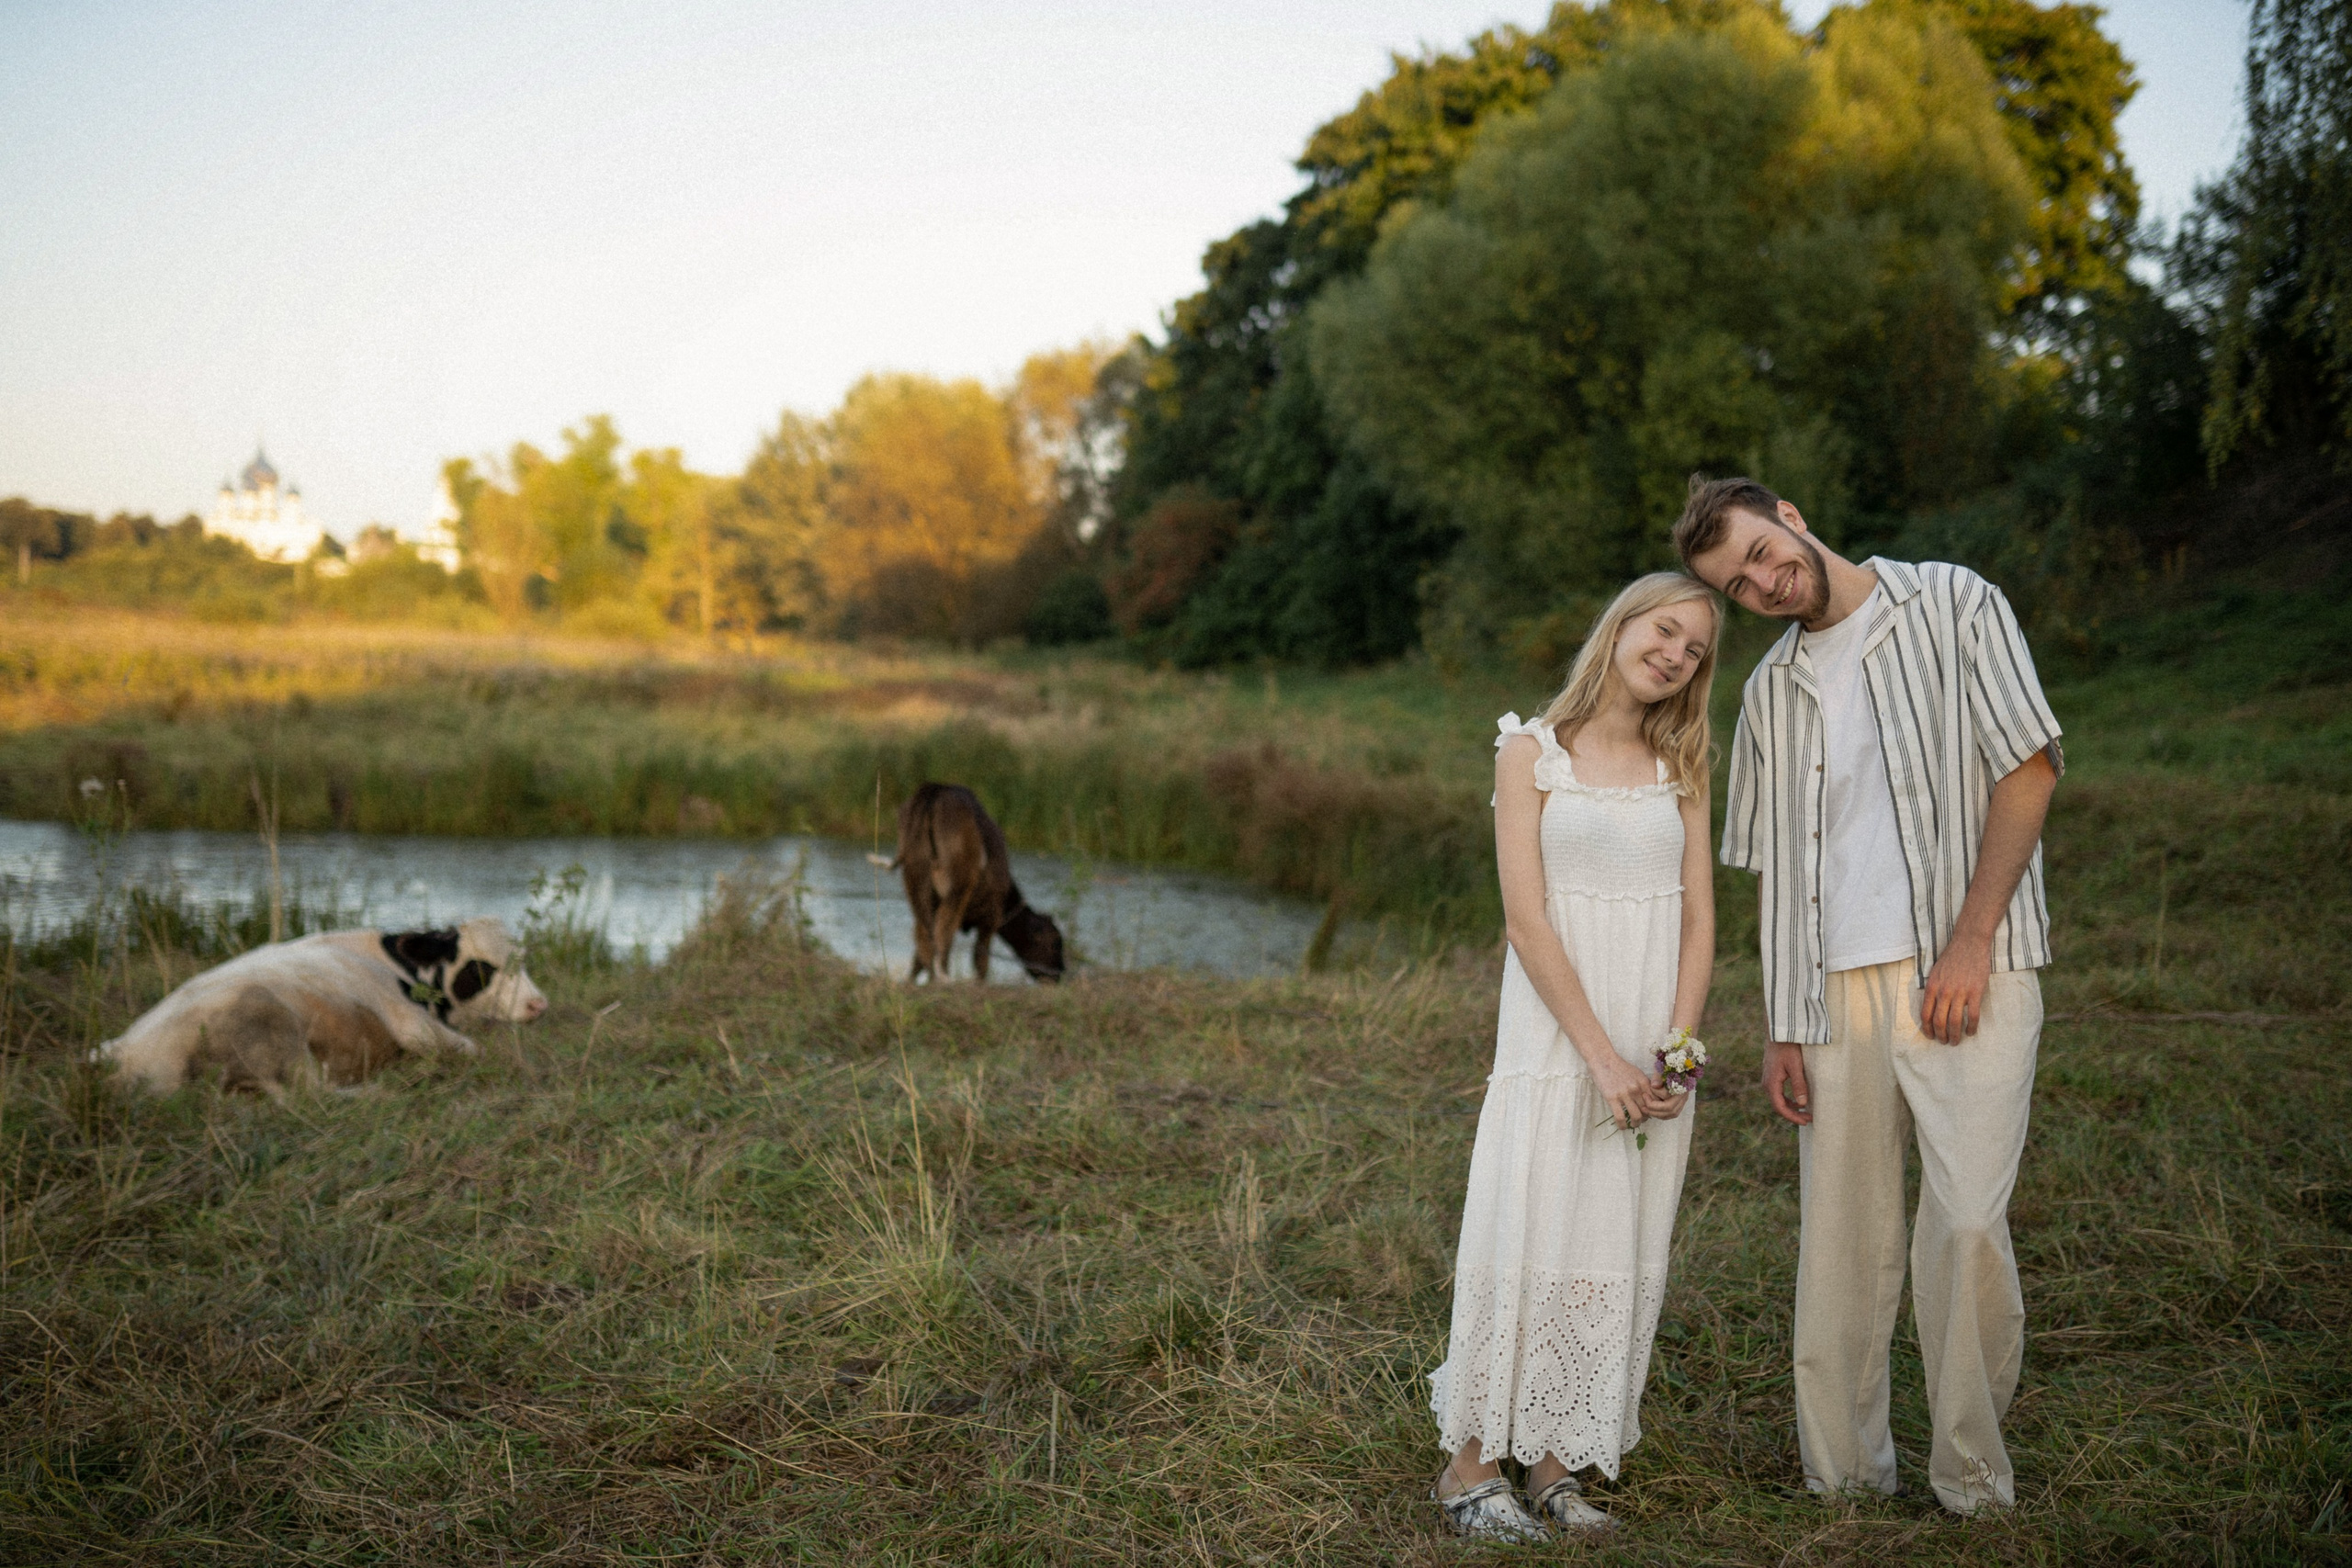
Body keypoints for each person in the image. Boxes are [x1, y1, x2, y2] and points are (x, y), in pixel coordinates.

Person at [1673, 475, 2063, 1517]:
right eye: (1734, 583)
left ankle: (1972, 1478)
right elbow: (1779, 876)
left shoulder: (1953, 601)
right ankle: (1842, 1476)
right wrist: (1781, 1024)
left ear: (1789, 517)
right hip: (1832, 990)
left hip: (1966, 967)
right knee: (1842, 1241)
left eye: (1760, 552)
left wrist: (1970, 942)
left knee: (1969, 1221)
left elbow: (2027, 769)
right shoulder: (1768, 694)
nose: (1761, 581)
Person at [1430, 572, 1721, 1541]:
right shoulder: (1531, 752)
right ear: (1624, 624)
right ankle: (1469, 1466)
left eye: (1695, 648)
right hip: (1559, 1041)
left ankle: (1556, 1461)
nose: (1675, 654)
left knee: (1609, 1240)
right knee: (1530, 1222)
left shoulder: (1680, 762)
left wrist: (1674, 1054)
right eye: (1665, 630)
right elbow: (1525, 920)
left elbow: (1698, 919)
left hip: (1648, 1041)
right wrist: (1601, 1059)